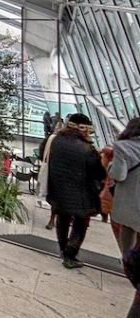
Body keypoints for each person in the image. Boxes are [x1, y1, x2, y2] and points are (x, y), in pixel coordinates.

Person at [45, 113, 107, 269]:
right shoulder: (87, 149)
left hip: (57, 189)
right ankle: (70, 255)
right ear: (84, 130)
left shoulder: (55, 141)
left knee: (62, 218)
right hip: (80, 194)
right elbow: (99, 174)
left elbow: (43, 156)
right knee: (81, 222)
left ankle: (62, 249)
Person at [109, 117, 140, 259]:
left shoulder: (122, 146)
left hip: (130, 203)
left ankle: (128, 265)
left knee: (127, 235)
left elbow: (119, 175)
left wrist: (109, 166)